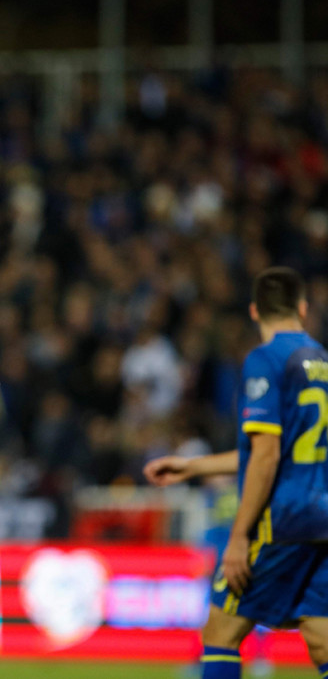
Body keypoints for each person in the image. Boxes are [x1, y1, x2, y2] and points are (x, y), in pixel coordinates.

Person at [144, 266, 328, 679]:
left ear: (254, 311)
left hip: (282, 518)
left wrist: (240, 536)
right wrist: (195, 466)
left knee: (221, 632)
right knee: (321, 637)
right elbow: (286, 451)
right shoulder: (322, 362)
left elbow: (266, 455)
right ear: (301, 308)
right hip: (321, 517)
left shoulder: (266, 359)